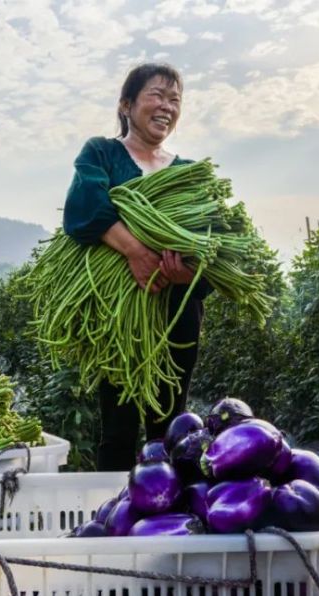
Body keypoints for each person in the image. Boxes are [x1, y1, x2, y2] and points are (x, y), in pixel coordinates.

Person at [62, 62, 211, 471]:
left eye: (175, 100)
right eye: (156, 96)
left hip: (177, 312)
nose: (167, 106)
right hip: (120, 314)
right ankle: (115, 519)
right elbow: (84, 209)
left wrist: (188, 273)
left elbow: (210, 245)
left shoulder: (189, 173)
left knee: (170, 424)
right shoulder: (102, 153)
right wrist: (135, 252)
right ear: (126, 105)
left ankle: (166, 514)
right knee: (119, 427)